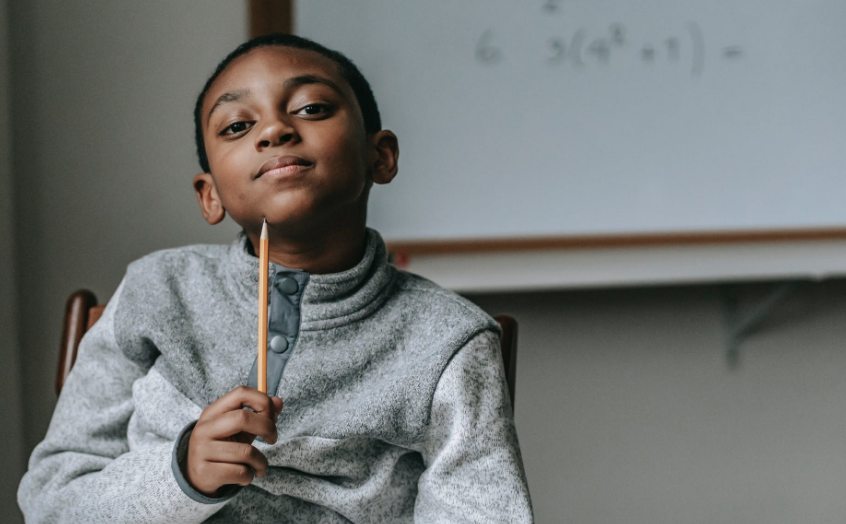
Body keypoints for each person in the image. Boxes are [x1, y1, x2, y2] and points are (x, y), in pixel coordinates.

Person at [18, 34, 533, 523]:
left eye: (311, 108)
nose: (274, 131)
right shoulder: (156, 291)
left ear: (381, 155)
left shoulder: (448, 342)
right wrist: (182, 470)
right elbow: (51, 502)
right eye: (238, 126)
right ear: (210, 195)